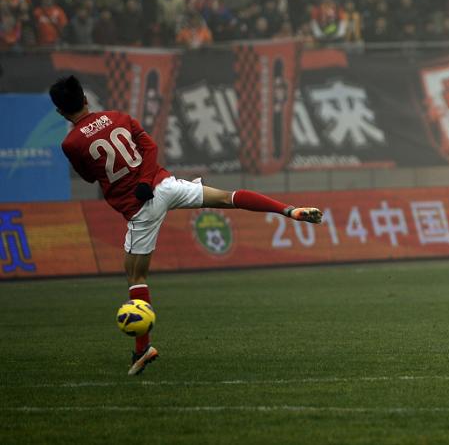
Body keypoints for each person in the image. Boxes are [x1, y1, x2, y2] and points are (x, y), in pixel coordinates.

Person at [50, 75, 323, 375]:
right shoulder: (119, 117)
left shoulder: (71, 143)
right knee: (226, 197)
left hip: (141, 207)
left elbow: (90, 177)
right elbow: (150, 147)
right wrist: (146, 179)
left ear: (60, 111)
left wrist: (138, 186)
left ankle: (142, 348)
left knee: (136, 276)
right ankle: (289, 210)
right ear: (85, 99)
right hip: (166, 185)